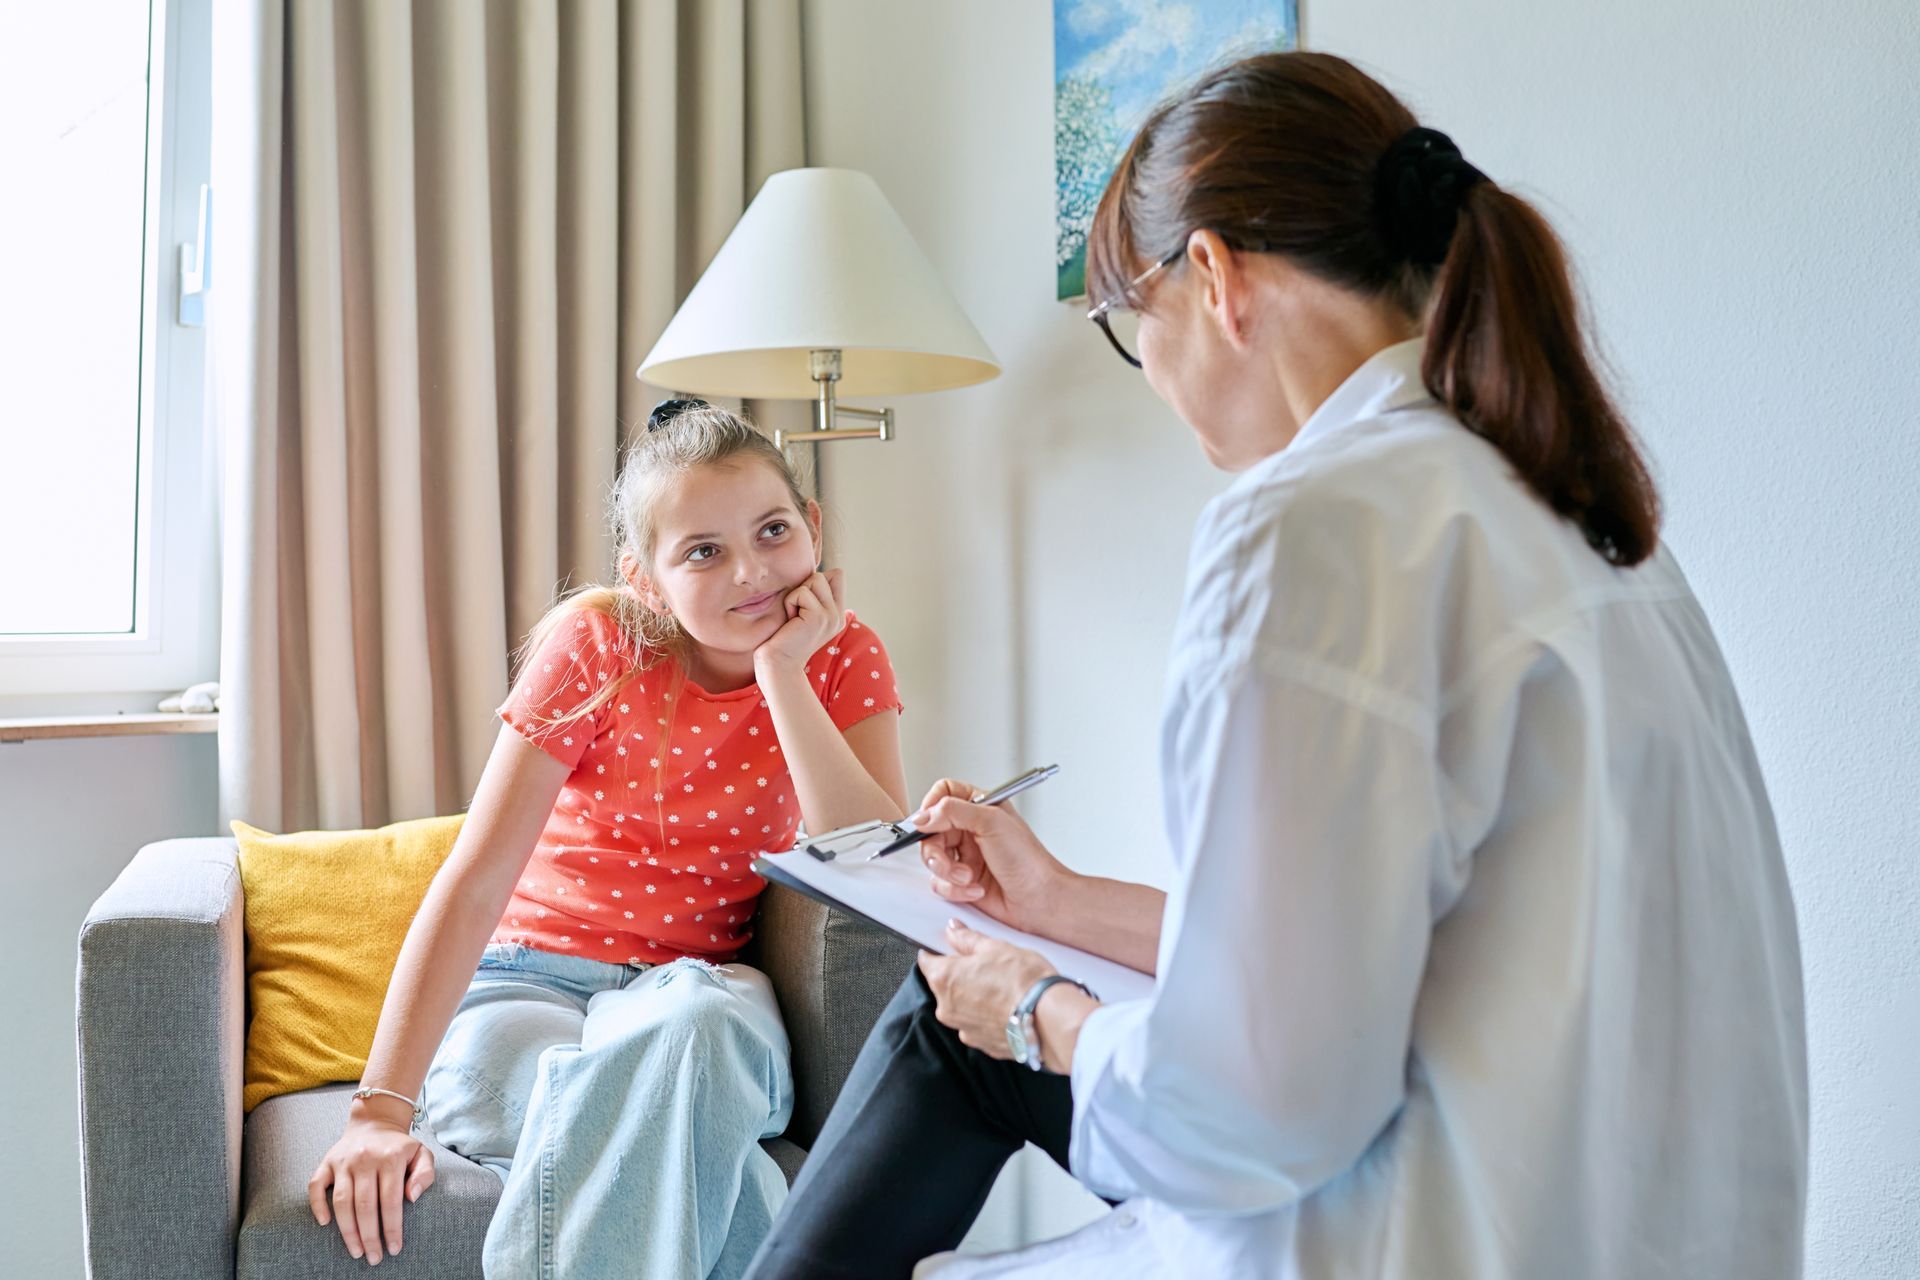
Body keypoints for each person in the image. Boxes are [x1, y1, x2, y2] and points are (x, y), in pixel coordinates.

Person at [746, 51, 1806, 1280]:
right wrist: (1055, 907)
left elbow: (1248, 1111)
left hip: (1421, 1232)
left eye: (1131, 335)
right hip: (1633, 1226)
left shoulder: (1316, 526)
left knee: (957, 1026)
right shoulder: (1589, 524)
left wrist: (1037, 1009)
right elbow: (1379, 960)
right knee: (958, 1019)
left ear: (1211, 276)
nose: (1160, 389)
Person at [306, 401, 908, 1278]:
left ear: (812, 528)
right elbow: (475, 881)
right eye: (704, 551)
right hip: (527, 988)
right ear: (647, 581)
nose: (752, 571)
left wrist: (784, 675)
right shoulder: (599, 646)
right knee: (712, 1162)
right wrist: (377, 1113)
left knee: (694, 1033)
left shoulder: (842, 655)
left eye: (774, 531)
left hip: (692, 992)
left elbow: (868, 866)